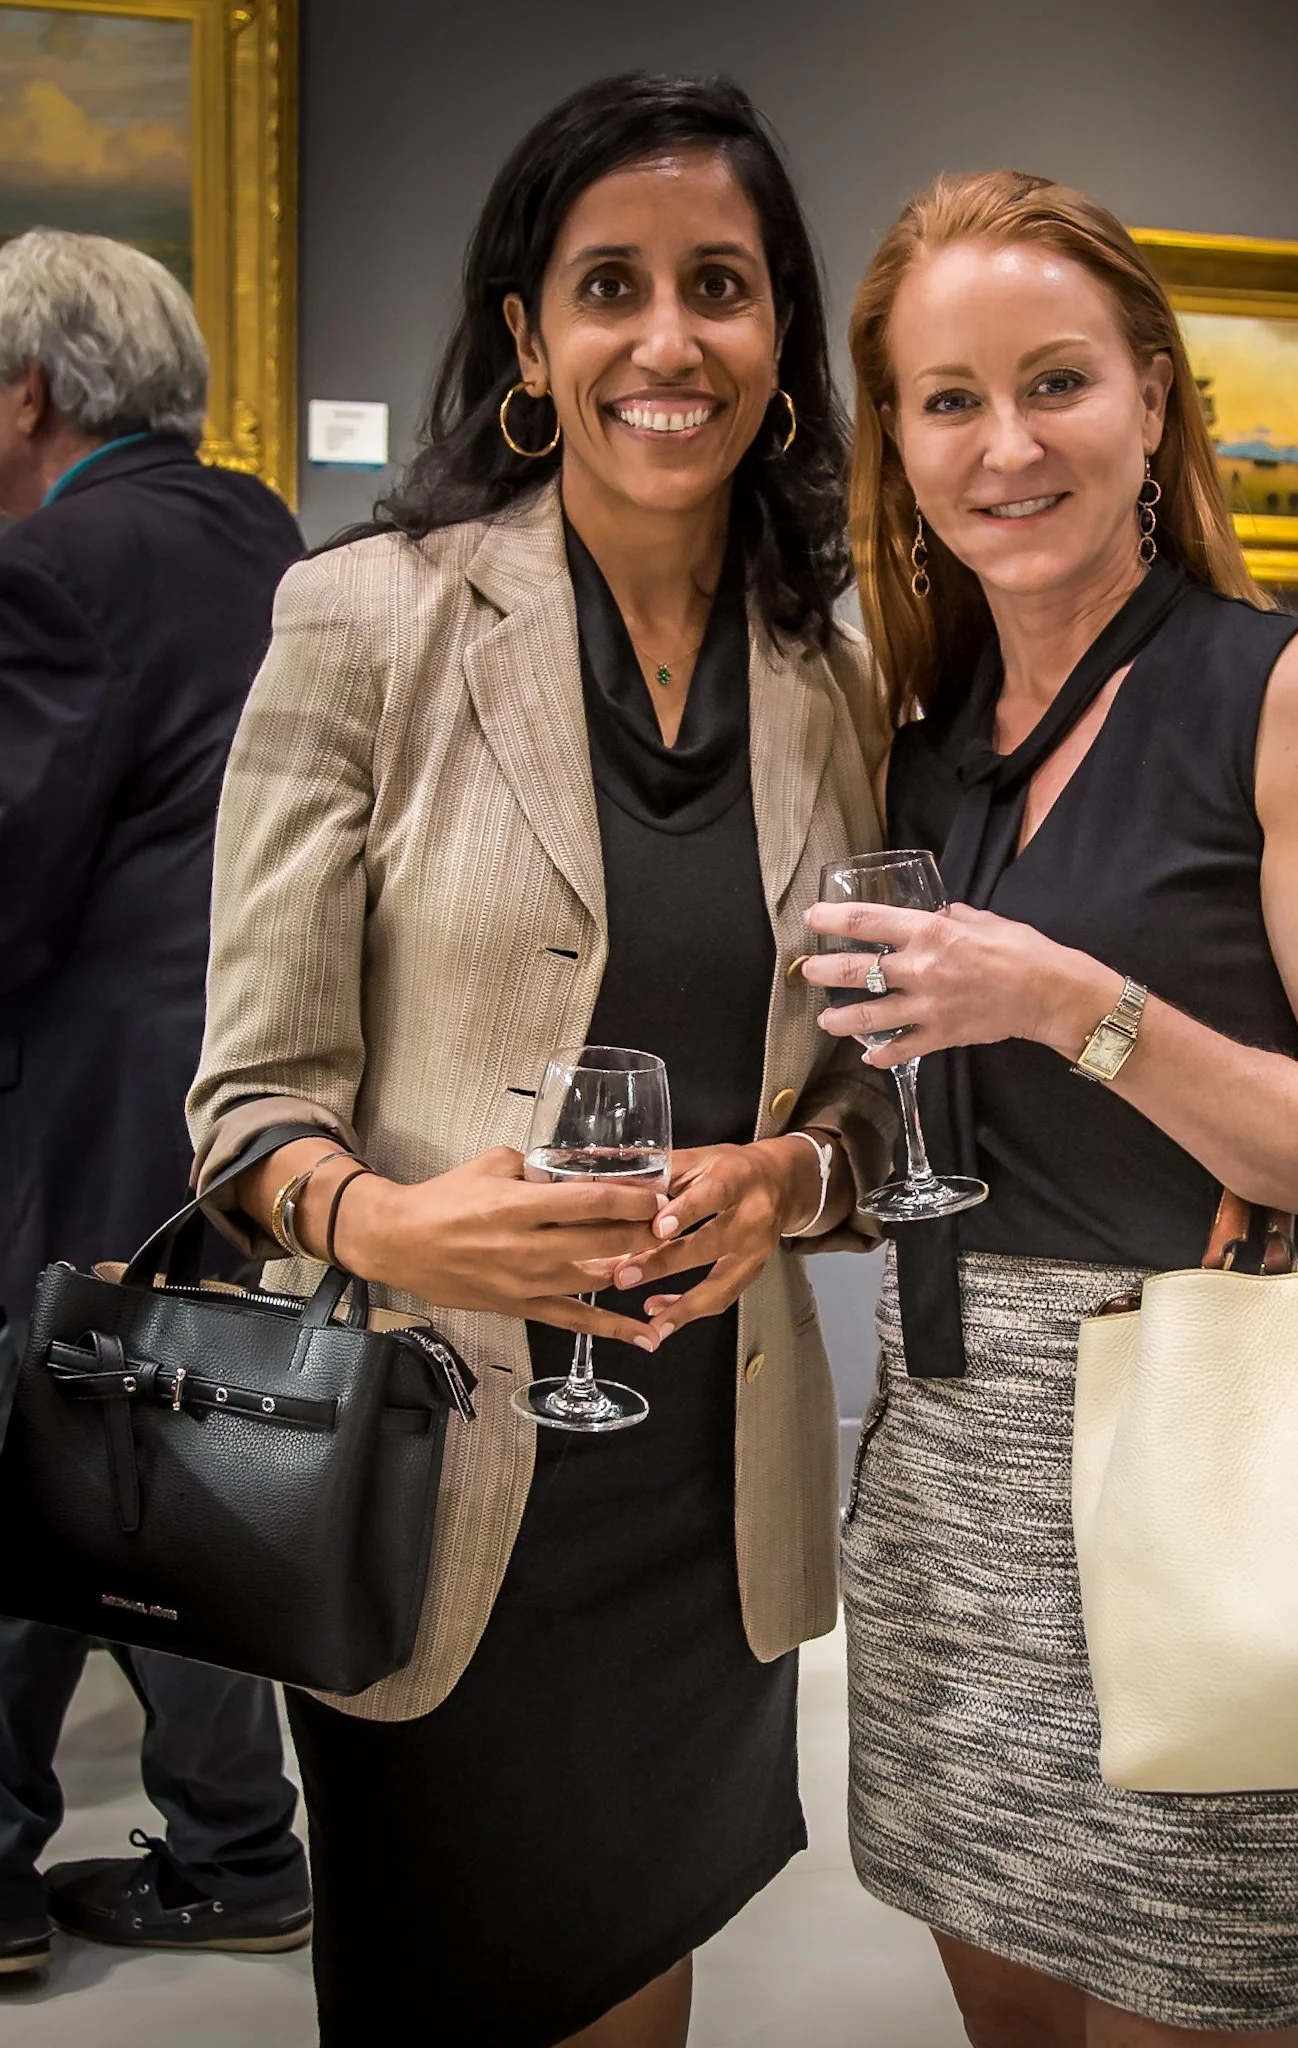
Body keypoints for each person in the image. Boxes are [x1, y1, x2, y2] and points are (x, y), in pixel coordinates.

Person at [185, 73, 891, 2048]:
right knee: (442, 1986)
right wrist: (392, 1225)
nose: (669, 340)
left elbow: (865, 1093)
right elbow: (246, 1103)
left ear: (780, 331)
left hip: (701, 1492)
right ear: (526, 337)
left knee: (635, 1979)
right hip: (430, 1479)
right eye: (610, 286)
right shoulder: (367, 620)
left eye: (720, 285)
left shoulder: (833, 683)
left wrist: (793, 1184)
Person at [805, 170, 1298, 2046]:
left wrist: (1073, 1006)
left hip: (1214, 1466)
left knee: (1198, 1997)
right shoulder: (921, 731)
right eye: (948, 400)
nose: (1004, 446)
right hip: (947, 1471)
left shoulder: (1293, 690)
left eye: (1055, 383)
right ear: (897, 440)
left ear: (1152, 398)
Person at [0, 230, 311, 1972]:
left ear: (31, 392)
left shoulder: (54, 567)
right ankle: (240, 1855)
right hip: (242, 1117)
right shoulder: (275, 544)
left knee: (44, 1467)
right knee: (172, 1475)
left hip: (78, 1114)